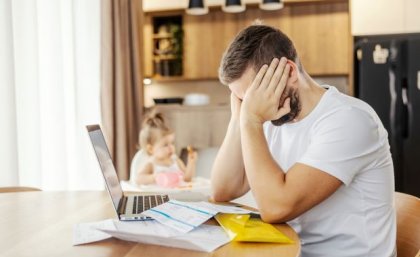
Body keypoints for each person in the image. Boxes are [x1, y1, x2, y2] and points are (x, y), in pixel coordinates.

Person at [211, 23, 396, 257]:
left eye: (253, 97)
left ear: (288, 72)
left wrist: (251, 120)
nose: (251, 106)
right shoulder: (273, 117)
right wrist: (239, 117)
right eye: (243, 100)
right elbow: (223, 189)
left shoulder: (349, 120)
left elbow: (275, 207)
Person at [130, 111, 197, 187]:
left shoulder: (176, 161)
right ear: (151, 149)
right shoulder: (152, 164)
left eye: (172, 143)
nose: (171, 147)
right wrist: (153, 177)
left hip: (177, 196)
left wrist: (191, 163)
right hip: (160, 197)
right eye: (165, 145)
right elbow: (138, 179)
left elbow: (187, 179)